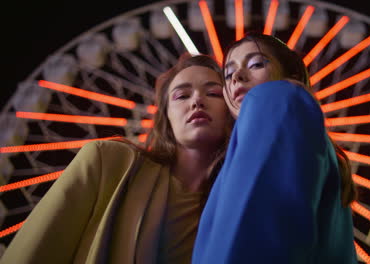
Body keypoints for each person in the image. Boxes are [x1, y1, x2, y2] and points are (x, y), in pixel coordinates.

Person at [0, 54, 233, 264]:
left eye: (213, 93)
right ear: (165, 116)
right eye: (181, 95)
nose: (197, 101)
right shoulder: (109, 163)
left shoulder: (240, 202)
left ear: (233, 110)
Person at [192, 33, 358, 263]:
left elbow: (254, 233)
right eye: (228, 74)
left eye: (257, 64)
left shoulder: (278, 97)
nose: (237, 77)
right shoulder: (310, 141)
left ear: (292, 76)